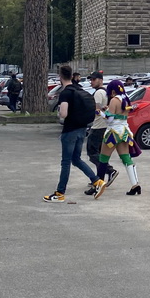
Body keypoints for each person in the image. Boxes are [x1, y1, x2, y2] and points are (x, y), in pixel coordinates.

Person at [43, 65, 104, 203]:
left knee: (66, 162)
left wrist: (59, 112)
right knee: (76, 159)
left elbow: (63, 114)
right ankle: (96, 181)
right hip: (82, 129)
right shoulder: (79, 90)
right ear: (72, 76)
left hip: (70, 131)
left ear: (60, 77)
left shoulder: (66, 93)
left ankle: (60, 193)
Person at [94, 79, 142, 196]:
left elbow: (110, 119)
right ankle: (135, 184)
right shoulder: (126, 98)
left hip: (113, 133)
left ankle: (98, 186)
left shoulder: (114, 100)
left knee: (103, 159)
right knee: (126, 158)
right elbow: (118, 114)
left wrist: (100, 113)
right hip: (124, 132)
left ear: (113, 91)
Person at [83, 71, 117, 196]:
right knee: (99, 154)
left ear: (100, 80)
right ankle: (99, 179)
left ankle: (109, 170)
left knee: (92, 154)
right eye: (91, 79)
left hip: (98, 127)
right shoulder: (105, 92)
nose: (91, 82)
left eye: (93, 79)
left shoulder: (98, 93)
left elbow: (96, 109)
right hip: (104, 126)